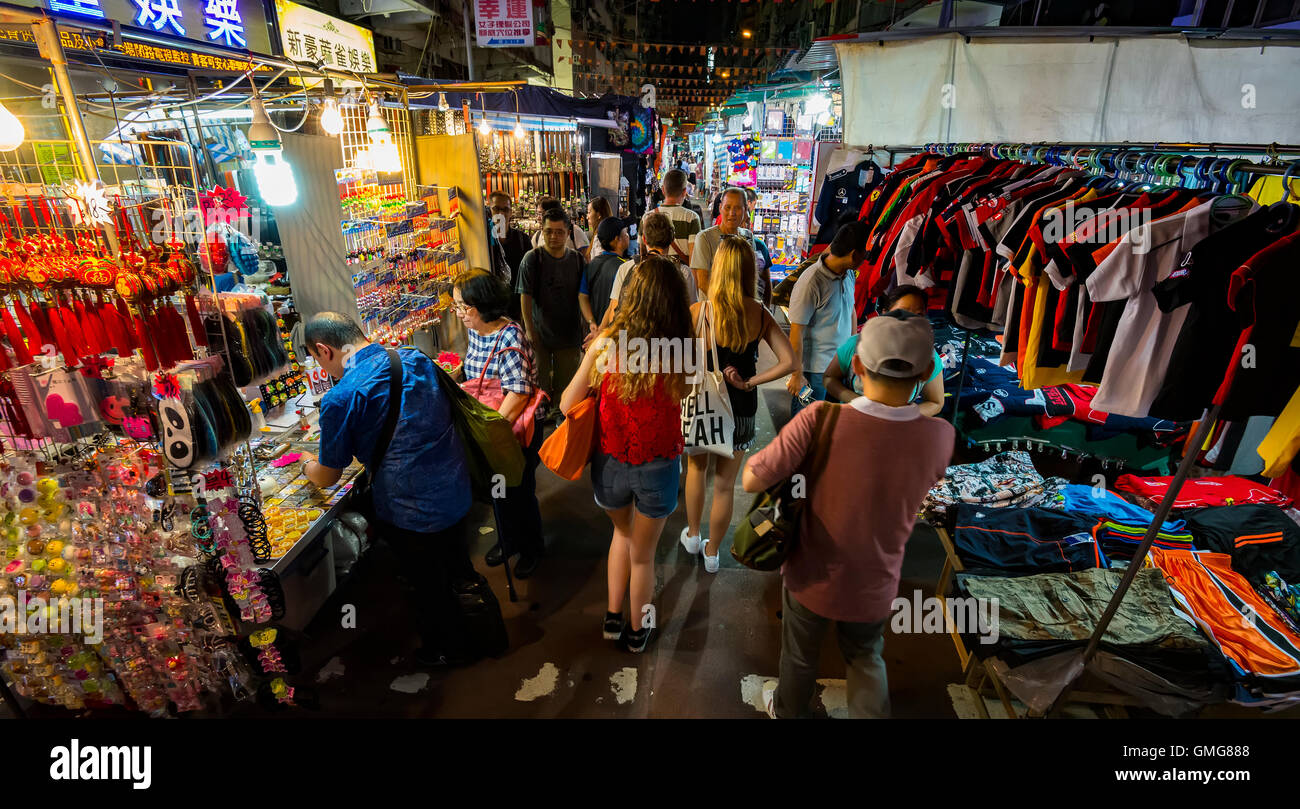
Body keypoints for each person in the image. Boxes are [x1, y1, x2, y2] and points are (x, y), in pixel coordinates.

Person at [744, 311, 955, 718]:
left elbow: (753, 479)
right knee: (865, 656)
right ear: (926, 372)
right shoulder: (939, 438)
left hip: (810, 574)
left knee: (800, 656)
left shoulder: (820, 420)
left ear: (856, 365)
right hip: (876, 579)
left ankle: (788, 710)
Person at [298, 312, 481, 668]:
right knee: (457, 566)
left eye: (317, 358)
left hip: (410, 509)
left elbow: (328, 476)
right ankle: (477, 624)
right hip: (454, 485)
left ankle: (446, 650)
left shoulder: (341, 397)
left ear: (324, 350)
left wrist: (306, 463)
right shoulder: (414, 358)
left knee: (428, 584)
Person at [560, 255, 693, 653]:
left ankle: (612, 617)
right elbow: (686, 392)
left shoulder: (605, 344)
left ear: (632, 296)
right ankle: (638, 632)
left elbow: (567, 403)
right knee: (644, 556)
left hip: (611, 462)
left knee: (621, 534)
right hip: (659, 464)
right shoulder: (681, 348)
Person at [681, 236, 797, 572]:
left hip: (703, 406)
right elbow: (789, 361)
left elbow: (681, 362)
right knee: (724, 485)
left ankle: (692, 535)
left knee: (696, 471)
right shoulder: (759, 313)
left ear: (717, 268)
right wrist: (750, 382)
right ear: (750, 271)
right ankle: (713, 552)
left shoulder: (698, 312)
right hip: (742, 409)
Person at [453, 270, 544, 579]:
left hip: (513, 428)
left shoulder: (510, 336)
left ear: (481, 304)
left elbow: (518, 394)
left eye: (462, 306)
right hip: (492, 427)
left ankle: (532, 548)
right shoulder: (476, 329)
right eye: (457, 305)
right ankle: (509, 540)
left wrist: (491, 432)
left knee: (519, 490)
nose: (459, 313)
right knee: (499, 489)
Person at [785, 221, 870, 416]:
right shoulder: (811, 281)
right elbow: (796, 332)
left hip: (839, 367)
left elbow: (851, 310)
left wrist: (852, 353)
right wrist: (797, 374)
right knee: (807, 424)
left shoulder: (848, 274)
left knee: (831, 423)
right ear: (854, 255)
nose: (866, 259)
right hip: (814, 371)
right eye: (864, 254)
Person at [824, 285, 945, 416]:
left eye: (918, 315)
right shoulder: (855, 345)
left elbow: (936, 402)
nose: (910, 320)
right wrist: (857, 402)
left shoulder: (928, 355)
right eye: (902, 311)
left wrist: (897, 416)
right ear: (885, 313)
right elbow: (829, 378)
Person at [518, 207, 586, 411]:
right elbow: (525, 296)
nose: (554, 236)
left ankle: (559, 418)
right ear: (542, 231)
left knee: (566, 385)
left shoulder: (577, 260)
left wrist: (586, 327)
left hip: (569, 334)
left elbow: (584, 296)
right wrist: (529, 330)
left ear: (568, 233)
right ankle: (541, 418)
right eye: (549, 231)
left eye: (559, 232)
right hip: (540, 334)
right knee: (541, 384)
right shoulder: (532, 258)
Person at [602, 210, 697, 329]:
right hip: (670, 338)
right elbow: (691, 314)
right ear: (672, 239)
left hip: (633, 337)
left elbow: (614, 312)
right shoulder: (683, 272)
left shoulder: (626, 268)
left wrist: (620, 338)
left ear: (644, 239)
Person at [691, 187, 754, 296]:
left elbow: (750, 277)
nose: (732, 213)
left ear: (745, 210)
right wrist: (726, 304)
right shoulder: (704, 238)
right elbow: (703, 282)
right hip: (714, 304)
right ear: (720, 208)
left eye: (737, 208)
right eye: (727, 207)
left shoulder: (748, 236)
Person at [579, 216, 629, 337]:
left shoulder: (591, 264)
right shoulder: (624, 268)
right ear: (617, 239)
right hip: (613, 332)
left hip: (593, 333)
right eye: (625, 233)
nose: (628, 236)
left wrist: (592, 322)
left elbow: (582, 296)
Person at [488, 191, 531, 321]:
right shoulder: (484, 241)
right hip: (490, 312)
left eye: (505, 209)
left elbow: (530, 277)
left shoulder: (522, 240)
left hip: (517, 310)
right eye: (496, 209)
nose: (501, 213)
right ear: (489, 210)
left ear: (511, 212)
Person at [656, 169, 703, 271]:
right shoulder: (691, 217)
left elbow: (643, 254)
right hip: (682, 276)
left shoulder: (647, 217)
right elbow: (693, 258)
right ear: (684, 191)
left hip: (654, 275)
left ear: (663, 190)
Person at [582, 196, 613, 261]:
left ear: (599, 215)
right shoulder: (606, 232)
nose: (587, 217)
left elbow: (599, 262)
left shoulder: (600, 238)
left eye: (589, 212)